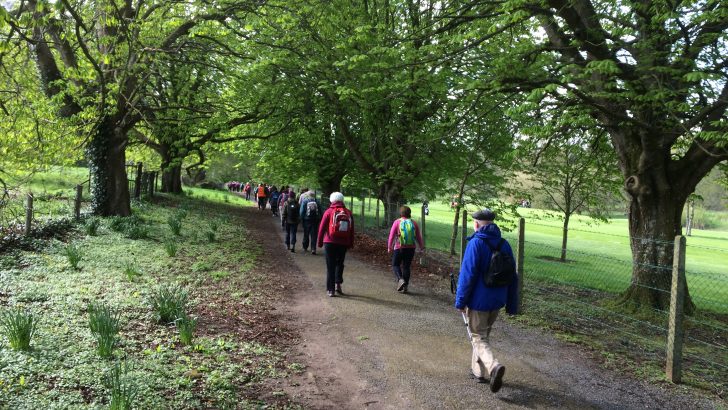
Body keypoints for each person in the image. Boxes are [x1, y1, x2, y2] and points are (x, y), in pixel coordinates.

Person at [455, 208, 518, 394]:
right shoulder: (504, 244)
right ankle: (478, 372)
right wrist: (512, 304)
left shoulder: (475, 244)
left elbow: (467, 276)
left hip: (478, 301)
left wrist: (460, 301)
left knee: (478, 337)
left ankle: (493, 366)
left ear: (476, 224)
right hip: (497, 301)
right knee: (483, 336)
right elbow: (513, 277)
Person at [317, 192, 354, 297]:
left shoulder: (329, 211)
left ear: (331, 200)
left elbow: (322, 228)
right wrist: (350, 243)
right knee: (340, 264)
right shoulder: (348, 212)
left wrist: (319, 242)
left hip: (329, 242)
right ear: (342, 200)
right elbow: (351, 230)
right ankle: (338, 284)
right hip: (343, 243)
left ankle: (330, 290)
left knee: (330, 265)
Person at [387, 206, 425, 293]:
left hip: (399, 247)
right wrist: (422, 247)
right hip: (411, 248)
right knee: (406, 267)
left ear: (401, 213)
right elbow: (418, 237)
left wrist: (389, 247)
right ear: (409, 213)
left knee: (395, 264)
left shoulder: (397, 222)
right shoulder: (414, 223)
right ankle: (405, 286)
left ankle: (400, 279)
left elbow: (391, 236)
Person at [299, 190, 321, 255]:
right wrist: (319, 218)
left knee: (306, 233)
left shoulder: (305, 201)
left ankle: (305, 247)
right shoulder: (317, 201)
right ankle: (313, 249)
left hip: (307, 220)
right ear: (314, 195)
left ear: (308, 195)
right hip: (315, 220)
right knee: (314, 235)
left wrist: (301, 219)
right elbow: (320, 210)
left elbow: (302, 211)